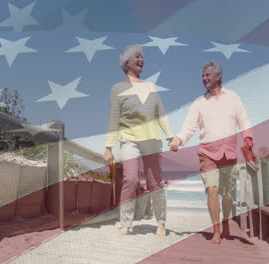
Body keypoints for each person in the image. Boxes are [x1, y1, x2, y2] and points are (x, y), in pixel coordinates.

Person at [169, 61, 253, 244]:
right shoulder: (199, 103)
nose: (204, 79)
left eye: (208, 75)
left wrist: (247, 138)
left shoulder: (233, 98)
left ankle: (226, 225)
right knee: (212, 190)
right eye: (203, 76)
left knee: (228, 194)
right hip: (207, 153)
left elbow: (244, 120)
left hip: (229, 154)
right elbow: (188, 127)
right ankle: (216, 231)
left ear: (218, 76)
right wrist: (178, 140)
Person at [104, 44, 173, 236]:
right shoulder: (117, 89)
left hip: (151, 138)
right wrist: (108, 147)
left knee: (154, 183)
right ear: (127, 63)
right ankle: (126, 222)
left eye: (142, 57)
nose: (141, 60)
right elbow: (114, 118)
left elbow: (161, 114)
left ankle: (161, 222)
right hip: (129, 139)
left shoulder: (150, 87)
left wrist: (170, 136)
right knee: (131, 179)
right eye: (137, 57)